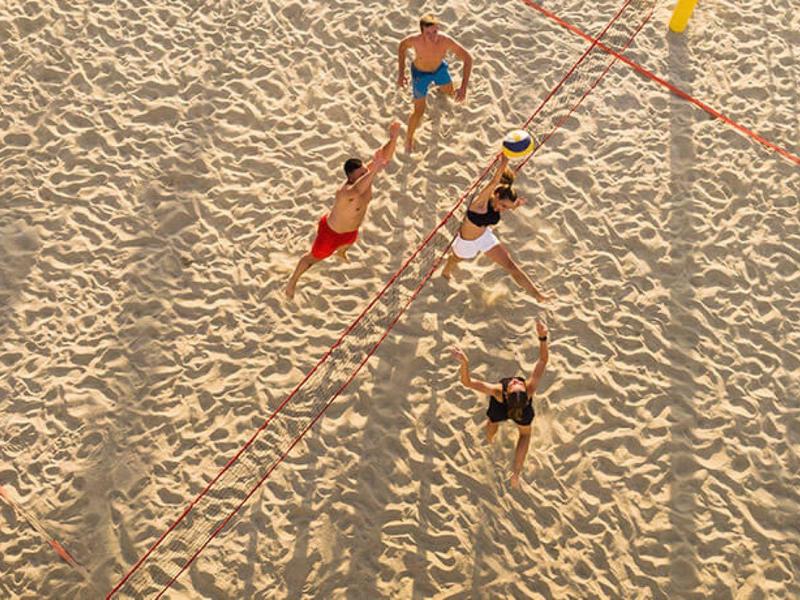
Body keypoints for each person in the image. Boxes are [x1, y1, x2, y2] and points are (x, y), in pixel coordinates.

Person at [285, 121, 401, 299]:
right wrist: (374, 169)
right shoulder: (344, 192)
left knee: (348, 243)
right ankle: (292, 281)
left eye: (365, 171)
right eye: (361, 174)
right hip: (330, 233)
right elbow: (357, 191)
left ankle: (341, 252)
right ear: (351, 177)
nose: (366, 173)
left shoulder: (366, 175)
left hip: (350, 231)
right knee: (311, 259)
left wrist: (392, 139)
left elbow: (384, 155)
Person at [450, 319, 550, 488]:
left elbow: (467, 382)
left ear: (506, 393)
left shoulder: (498, 391)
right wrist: (542, 338)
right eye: (515, 384)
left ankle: (492, 446)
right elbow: (542, 361)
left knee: (493, 422)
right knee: (524, 433)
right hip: (520, 412)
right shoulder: (530, 388)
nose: (514, 382)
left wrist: (465, 363)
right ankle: (512, 470)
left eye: (514, 385)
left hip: (501, 408)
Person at [441, 153, 551, 303]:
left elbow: (509, 205)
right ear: (496, 195)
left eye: (506, 207)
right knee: (456, 259)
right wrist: (503, 163)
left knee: (511, 266)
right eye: (503, 205)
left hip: (485, 237)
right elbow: (493, 182)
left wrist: (515, 205)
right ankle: (447, 268)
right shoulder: (480, 204)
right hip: (466, 243)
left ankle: (537, 295)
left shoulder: (500, 205)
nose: (503, 209)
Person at [397, 14, 473, 152]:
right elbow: (401, 47)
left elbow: (468, 58)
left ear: (438, 28)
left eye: (435, 31)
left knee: (450, 93)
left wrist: (464, 88)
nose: (433, 36)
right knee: (419, 111)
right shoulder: (415, 40)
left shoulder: (445, 41)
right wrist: (401, 73)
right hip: (420, 75)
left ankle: (442, 89)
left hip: (439, 70)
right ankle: (409, 138)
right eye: (428, 33)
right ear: (422, 33)